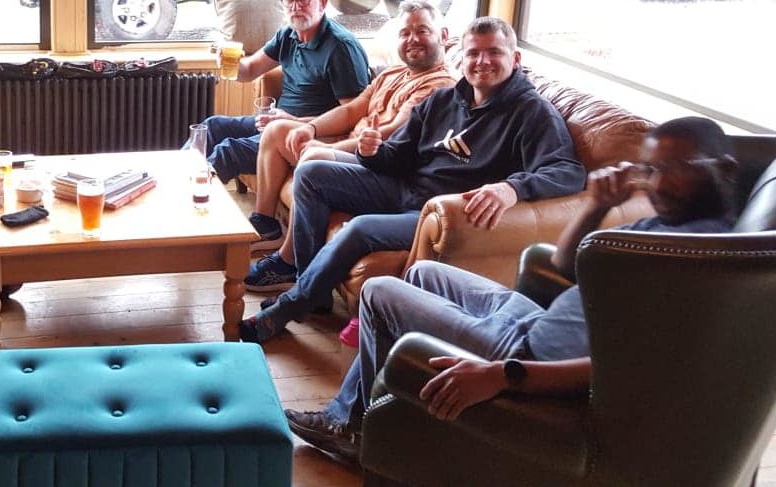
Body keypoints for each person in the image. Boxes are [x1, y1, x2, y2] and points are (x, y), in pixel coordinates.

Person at [283, 116, 739, 464]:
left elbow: (632, 368)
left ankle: (352, 427)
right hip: (535, 322)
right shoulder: (668, 223)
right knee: (422, 273)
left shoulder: (694, 258)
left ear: (725, 169)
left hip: (527, 353)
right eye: (652, 169)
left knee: (379, 291)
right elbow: (564, 264)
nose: (658, 182)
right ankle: (389, 409)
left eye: (675, 168)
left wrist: (505, 374)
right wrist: (598, 205)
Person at [240, 17, 587, 344]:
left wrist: (511, 188)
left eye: (493, 52)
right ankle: (312, 291)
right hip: (404, 186)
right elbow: (399, 156)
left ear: (515, 58)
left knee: (360, 228)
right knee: (311, 173)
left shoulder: (532, 112)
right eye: (473, 53)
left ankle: (290, 306)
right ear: (462, 57)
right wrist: (372, 152)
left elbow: (566, 171)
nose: (482, 61)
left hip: (439, 212)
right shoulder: (444, 100)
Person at [243, 0, 455, 271]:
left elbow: (388, 136)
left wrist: (326, 148)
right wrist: (311, 128)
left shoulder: (440, 86)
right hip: (352, 143)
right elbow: (353, 109)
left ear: (443, 35)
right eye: (405, 33)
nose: (412, 39)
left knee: (313, 158)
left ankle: (289, 261)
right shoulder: (395, 72)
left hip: (380, 162)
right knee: (277, 131)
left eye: (422, 31)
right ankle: (266, 224)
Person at [195, 0, 369, 190]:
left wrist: (293, 121)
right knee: (212, 127)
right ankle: (176, 181)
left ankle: (194, 197)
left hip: (307, 133)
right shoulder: (287, 35)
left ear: (322, 2)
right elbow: (249, 70)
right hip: (276, 122)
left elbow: (354, 116)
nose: (296, 7)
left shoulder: (341, 48)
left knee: (228, 151)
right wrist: (231, 64)